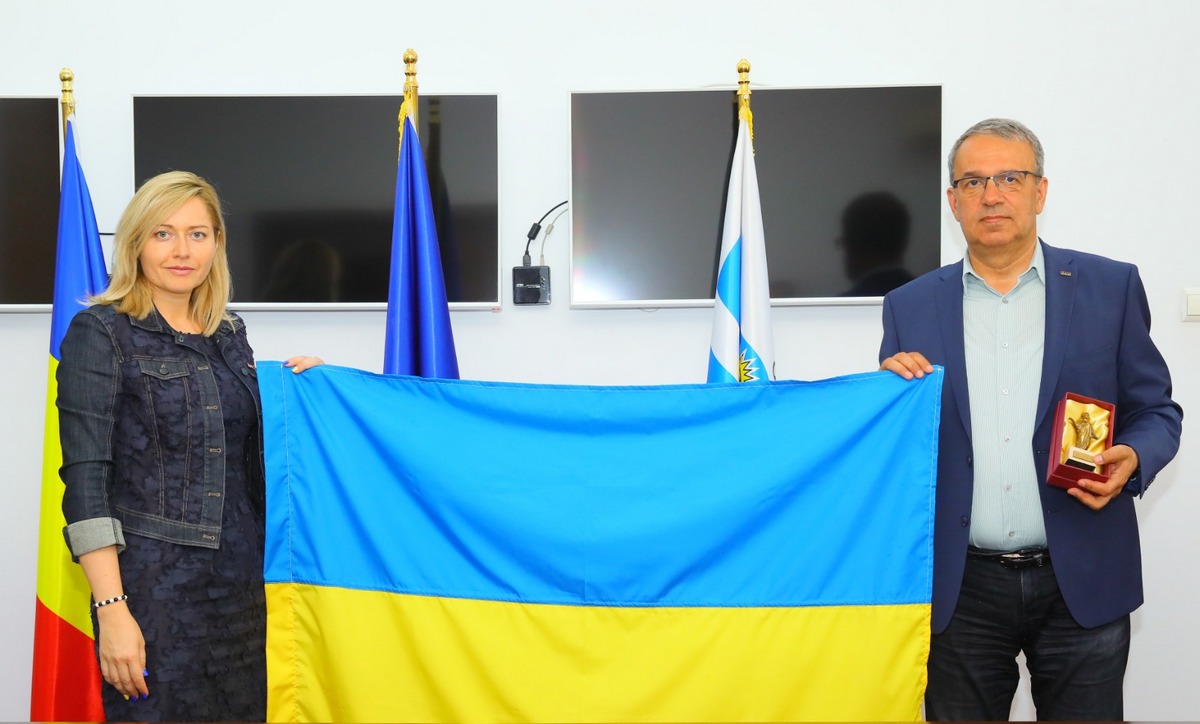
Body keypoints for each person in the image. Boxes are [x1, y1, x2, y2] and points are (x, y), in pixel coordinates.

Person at [879, 118, 1182, 720]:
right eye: (973, 182)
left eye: (1010, 178)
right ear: (953, 202)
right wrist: (888, 395)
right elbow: (900, 445)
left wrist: (1135, 456)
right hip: (959, 588)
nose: (991, 195)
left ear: (1040, 191)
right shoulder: (909, 305)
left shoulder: (1110, 286)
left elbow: (1156, 410)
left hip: (1083, 575)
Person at [57, 171, 323, 721]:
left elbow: (241, 441)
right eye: (164, 233)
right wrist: (112, 610)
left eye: (198, 234)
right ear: (136, 243)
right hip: (153, 593)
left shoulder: (229, 331)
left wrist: (307, 391)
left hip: (244, 589)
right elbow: (86, 484)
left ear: (217, 243)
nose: (182, 250)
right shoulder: (100, 332)